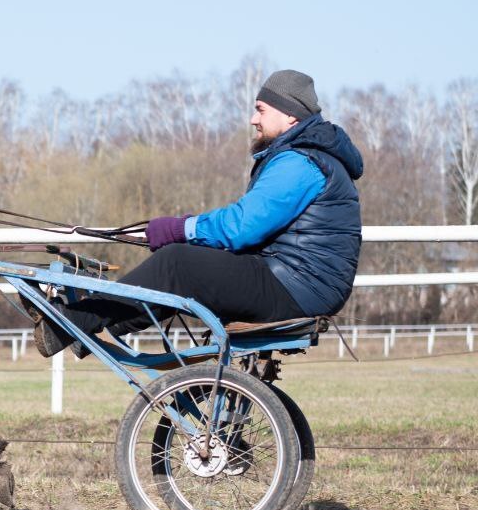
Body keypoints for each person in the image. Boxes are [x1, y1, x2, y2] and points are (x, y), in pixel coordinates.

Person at [35, 69, 364, 358]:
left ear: (291, 116)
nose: (254, 119)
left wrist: (179, 229)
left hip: (296, 287)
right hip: (298, 282)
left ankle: (71, 322)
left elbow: (241, 227)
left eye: (261, 110)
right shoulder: (308, 156)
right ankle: (88, 322)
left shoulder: (299, 162)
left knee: (177, 262)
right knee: (185, 265)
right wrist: (192, 234)